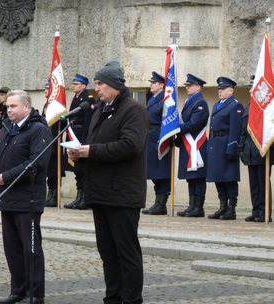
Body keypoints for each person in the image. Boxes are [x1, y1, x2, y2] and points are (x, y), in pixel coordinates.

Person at [67, 61, 148, 304]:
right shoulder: (100, 110)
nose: (97, 89)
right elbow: (96, 146)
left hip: (122, 194)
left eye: (101, 84)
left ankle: (132, 300)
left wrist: (90, 151)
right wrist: (78, 155)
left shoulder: (133, 110)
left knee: (127, 253)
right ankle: (113, 298)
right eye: (96, 84)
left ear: (115, 84)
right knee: (108, 254)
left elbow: (130, 146)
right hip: (101, 193)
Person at [0, 90, 52, 304]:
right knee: (12, 249)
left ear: (27, 107)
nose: (9, 110)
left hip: (28, 199)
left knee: (30, 249)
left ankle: (35, 294)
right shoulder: (6, 127)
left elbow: (36, 164)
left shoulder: (38, 129)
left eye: (13, 106)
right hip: (7, 198)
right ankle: (18, 291)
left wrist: (3, 177)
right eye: (7, 107)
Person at [206, 77, 244, 220]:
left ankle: (231, 208)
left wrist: (232, 148)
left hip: (226, 144)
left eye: (223, 89)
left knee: (229, 178)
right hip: (216, 145)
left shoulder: (235, 105)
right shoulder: (216, 105)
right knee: (218, 177)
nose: (220, 91)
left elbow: (236, 129)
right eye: (219, 89)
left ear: (231, 91)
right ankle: (223, 207)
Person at [240, 76, 273, 223]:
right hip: (250, 151)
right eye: (250, 87)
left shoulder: (268, 108)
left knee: (263, 183)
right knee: (254, 184)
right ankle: (256, 211)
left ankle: (264, 212)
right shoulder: (249, 107)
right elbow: (243, 132)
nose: (250, 90)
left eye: (253, 87)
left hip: (263, 151)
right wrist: (242, 149)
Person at [176, 74, 210, 217]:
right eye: (187, 85)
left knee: (198, 176)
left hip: (197, 144)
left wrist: (177, 129)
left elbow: (194, 124)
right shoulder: (189, 101)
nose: (187, 87)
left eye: (190, 85)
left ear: (198, 87)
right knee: (191, 177)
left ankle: (198, 207)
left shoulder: (200, 103)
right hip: (188, 143)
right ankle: (191, 206)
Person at [63, 74, 96, 210]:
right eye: (73, 83)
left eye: (77, 84)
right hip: (73, 135)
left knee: (82, 171)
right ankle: (79, 197)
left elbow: (88, 123)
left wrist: (84, 141)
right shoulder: (75, 99)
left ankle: (85, 199)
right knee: (77, 171)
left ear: (84, 86)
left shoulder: (88, 99)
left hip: (80, 137)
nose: (73, 86)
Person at [143, 72, 172, 215]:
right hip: (151, 137)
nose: (151, 84)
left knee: (162, 172)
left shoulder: (165, 100)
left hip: (160, 138)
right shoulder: (152, 99)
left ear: (162, 85)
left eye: (154, 82)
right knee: (155, 172)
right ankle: (157, 203)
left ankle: (162, 204)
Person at [42, 80, 65, 208]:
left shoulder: (56, 107)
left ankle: (55, 196)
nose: (45, 91)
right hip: (46, 143)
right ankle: (50, 195)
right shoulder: (47, 105)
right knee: (48, 171)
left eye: (47, 89)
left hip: (54, 143)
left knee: (54, 171)